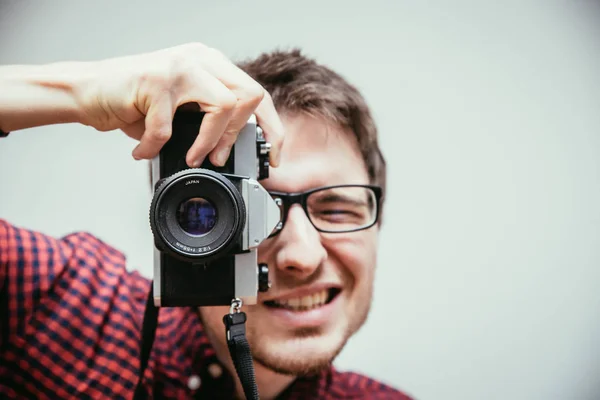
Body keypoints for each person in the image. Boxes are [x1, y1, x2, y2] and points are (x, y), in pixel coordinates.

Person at [0, 42, 413, 399]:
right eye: (251, 210)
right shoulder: (68, 316)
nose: (302, 256)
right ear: (172, 218)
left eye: (336, 209)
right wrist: (82, 90)